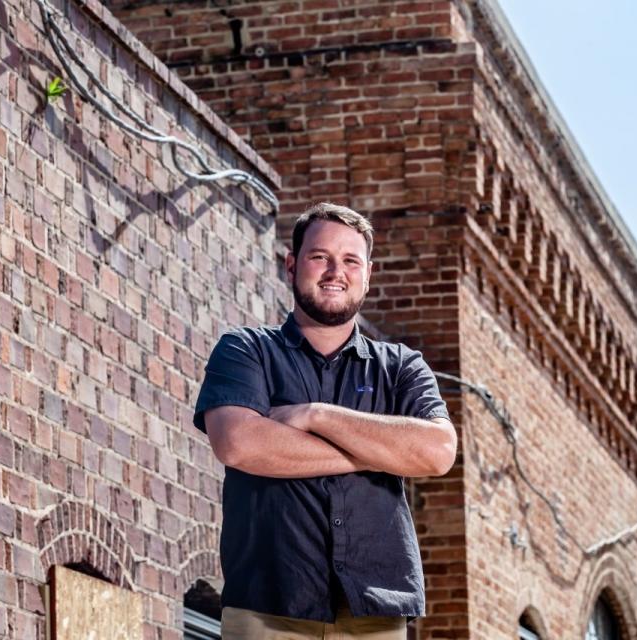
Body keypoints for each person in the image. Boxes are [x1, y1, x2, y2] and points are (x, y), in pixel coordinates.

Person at [193, 203, 458, 639]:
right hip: (267, 607)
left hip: (374, 611)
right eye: (320, 257)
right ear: (293, 263)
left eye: (350, 260)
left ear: (367, 274)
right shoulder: (245, 351)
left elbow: (437, 451)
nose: (336, 271)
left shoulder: (402, 368)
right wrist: (376, 452)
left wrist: (315, 415)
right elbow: (238, 443)